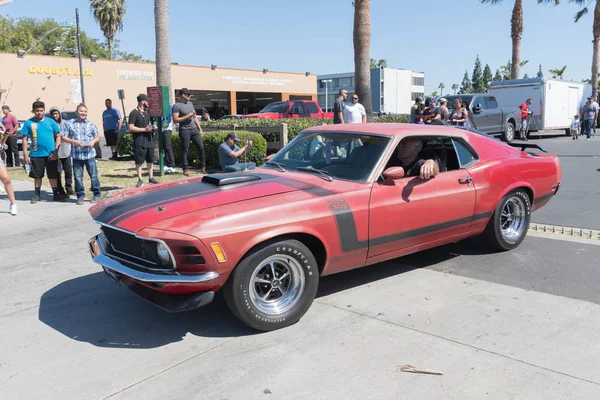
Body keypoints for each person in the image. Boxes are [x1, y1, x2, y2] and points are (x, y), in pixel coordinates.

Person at [21, 100, 67, 203]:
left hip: (51, 154)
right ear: (33, 111)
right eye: (37, 111)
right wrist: (25, 154)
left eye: (41, 110)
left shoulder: (51, 122)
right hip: (36, 154)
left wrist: (56, 150)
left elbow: (58, 136)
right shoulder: (29, 123)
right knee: (37, 176)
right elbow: (24, 139)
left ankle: (56, 194)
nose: (39, 113)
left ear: (44, 110)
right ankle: (37, 195)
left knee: (53, 175)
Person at [60, 104, 102, 205]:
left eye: (85, 111)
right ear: (76, 111)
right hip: (77, 155)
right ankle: (80, 195)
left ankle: (97, 194)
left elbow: (98, 136)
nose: (83, 113)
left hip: (89, 155)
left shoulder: (91, 124)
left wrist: (93, 141)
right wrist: (73, 142)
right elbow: (63, 137)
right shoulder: (69, 123)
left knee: (94, 175)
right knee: (78, 177)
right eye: (81, 111)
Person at [173, 88, 205, 175]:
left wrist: (200, 128)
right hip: (184, 130)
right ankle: (185, 169)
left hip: (194, 129)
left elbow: (194, 117)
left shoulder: (190, 103)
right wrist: (187, 116)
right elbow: (175, 120)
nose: (189, 96)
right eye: (188, 95)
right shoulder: (177, 106)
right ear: (183, 95)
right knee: (185, 150)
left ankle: (203, 166)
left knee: (201, 147)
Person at [129, 94, 158, 187]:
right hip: (139, 141)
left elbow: (149, 125)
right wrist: (144, 130)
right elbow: (131, 127)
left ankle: (151, 177)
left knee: (150, 160)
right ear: (142, 101)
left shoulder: (146, 113)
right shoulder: (133, 113)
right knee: (139, 161)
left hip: (149, 140)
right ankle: (140, 179)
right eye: (146, 101)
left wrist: (153, 128)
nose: (148, 102)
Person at [49, 106, 74, 197]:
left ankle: (69, 188)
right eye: (53, 114)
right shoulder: (50, 124)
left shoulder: (65, 123)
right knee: (58, 172)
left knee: (68, 170)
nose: (54, 115)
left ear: (59, 114)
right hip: (55, 151)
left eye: (56, 113)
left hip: (65, 149)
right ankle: (60, 190)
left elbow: (71, 134)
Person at [161, 105, 176, 173]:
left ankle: (172, 165)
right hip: (161, 129)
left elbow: (169, 119)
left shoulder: (168, 106)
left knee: (167, 146)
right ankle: (166, 164)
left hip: (167, 128)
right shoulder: (158, 106)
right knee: (164, 147)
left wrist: (164, 123)